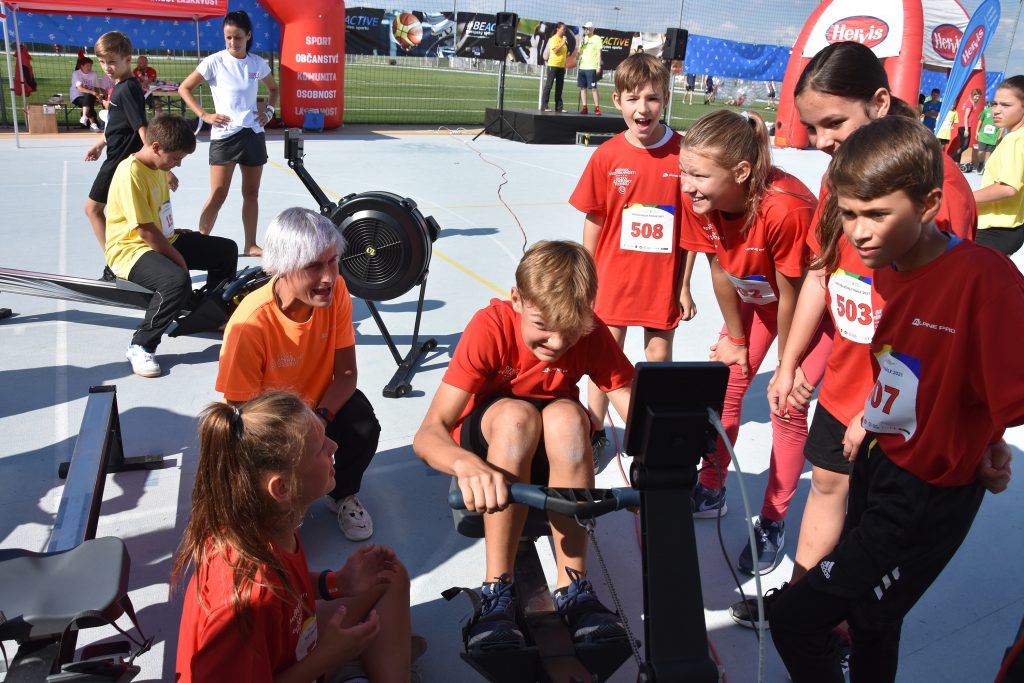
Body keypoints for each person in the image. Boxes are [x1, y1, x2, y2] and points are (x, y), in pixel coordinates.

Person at [730, 38, 978, 629]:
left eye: (833, 123)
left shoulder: (940, 191)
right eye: (812, 128)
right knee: (827, 488)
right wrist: (790, 360)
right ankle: (801, 607)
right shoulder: (840, 173)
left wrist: (881, 406)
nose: (821, 141)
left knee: (872, 529)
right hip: (846, 383)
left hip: (900, 405)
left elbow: (946, 326)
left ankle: (843, 632)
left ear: (880, 103)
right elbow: (823, 271)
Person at [770, 113, 1022, 683]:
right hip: (879, 465)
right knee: (872, 624)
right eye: (849, 214)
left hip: (927, 497)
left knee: (796, 620)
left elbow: (1005, 387)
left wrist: (990, 440)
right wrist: (872, 416)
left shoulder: (983, 278)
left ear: (929, 204)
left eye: (877, 214)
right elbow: (911, 368)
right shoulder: (886, 266)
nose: (859, 232)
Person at [413, 240, 632, 653]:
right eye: (543, 325)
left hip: (553, 442)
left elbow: (632, 402)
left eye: (571, 330)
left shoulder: (590, 332)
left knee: (570, 418)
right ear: (517, 299)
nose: (557, 342)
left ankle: (574, 587)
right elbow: (428, 434)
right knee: (518, 417)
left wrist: (661, 459)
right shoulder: (491, 327)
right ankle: (497, 589)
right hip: (496, 440)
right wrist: (465, 465)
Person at [173, 392, 414, 682]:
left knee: (388, 575)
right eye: (320, 448)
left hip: (290, 649)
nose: (334, 446)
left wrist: (338, 583)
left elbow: (285, 588)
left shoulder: (269, 523)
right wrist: (329, 656)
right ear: (283, 488)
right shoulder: (244, 601)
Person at [678, 108, 826, 577]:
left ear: (741, 172)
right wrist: (737, 341)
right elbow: (720, 268)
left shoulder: (785, 208)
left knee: (787, 406)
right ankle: (711, 487)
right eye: (684, 171)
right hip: (758, 302)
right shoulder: (700, 198)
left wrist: (787, 366)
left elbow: (794, 295)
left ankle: (774, 520)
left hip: (809, 312)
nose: (687, 185)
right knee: (726, 387)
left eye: (698, 175)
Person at [216, 207, 381, 541]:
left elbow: (346, 374)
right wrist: (295, 436)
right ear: (282, 267)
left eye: (333, 261)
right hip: (271, 423)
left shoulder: (336, 292)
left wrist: (318, 420)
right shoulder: (250, 324)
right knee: (272, 521)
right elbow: (242, 411)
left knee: (362, 424)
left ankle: (342, 493)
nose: (328, 277)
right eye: (313, 266)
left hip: (319, 408)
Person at [569, 53, 695, 467]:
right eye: (633, 99)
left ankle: (654, 435)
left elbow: (692, 231)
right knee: (605, 357)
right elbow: (594, 219)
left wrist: (684, 286)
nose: (643, 108)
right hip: (612, 278)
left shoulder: (684, 154)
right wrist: (586, 278)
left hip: (661, 281)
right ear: (617, 100)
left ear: (666, 99)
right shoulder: (607, 156)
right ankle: (597, 430)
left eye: (653, 98)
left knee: (657, 360)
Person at [105, 114, 237, 378]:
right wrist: (179, 259)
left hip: (160, 237)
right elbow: (143, 230)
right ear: (156, 147)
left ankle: (209, 314)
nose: (178, 164)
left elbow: (155, 215)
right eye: (175, 158)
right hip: (130, 248)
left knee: (226, 250)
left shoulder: (158, 169)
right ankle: (141, 344)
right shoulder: (131, 173)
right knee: (176, 280)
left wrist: (172, 232)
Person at [179, 9, 279, 257]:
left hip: (253, 134)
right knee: (218, 194)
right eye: (228, 38)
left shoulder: (257, 63)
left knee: (251, 193)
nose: (233, 42)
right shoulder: (214, 62)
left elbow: (274, 89)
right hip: (225, 136)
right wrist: (204, 115)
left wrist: (268, 111)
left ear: (248, 36)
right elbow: (185, 88)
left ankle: (250, 244)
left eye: (238, 37)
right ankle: (200, 244)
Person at [973, 76, 1024, 256]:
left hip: (995, 229)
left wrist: (967, 197)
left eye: (1006, 105)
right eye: (995, 104)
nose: (996, 110)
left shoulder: (1014, 140)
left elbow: (1008, 188)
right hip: (1011, 227)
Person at [577, 21, 603, 115]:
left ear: (592, 29)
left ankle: (597, 108)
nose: (586, 30)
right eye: (585, 28)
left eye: (588, 28)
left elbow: (599, 53)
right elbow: (579, 53)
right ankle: (585, 107)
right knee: (583, 88)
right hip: (582, 67)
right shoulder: (584, 39)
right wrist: (581, 44)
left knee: (593, 88)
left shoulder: (597, 38)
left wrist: (598, 66)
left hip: (592, 67)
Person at [540, 22, 567, 113]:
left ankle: (559, 107)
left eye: (565, 29)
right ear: (558, 29)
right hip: (553, 65)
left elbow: (564, 53)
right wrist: (562, 43)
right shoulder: (553, 39)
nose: (564, 31)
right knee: (549, 85)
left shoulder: (563, 39)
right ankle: (544, 106)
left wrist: (564, 65)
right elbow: (555, 51)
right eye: (563, 29)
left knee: (559, 87)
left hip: (561, 67)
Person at [70, 56, 102, 131]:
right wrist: (94, 93)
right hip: (77, 97)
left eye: (91, 65)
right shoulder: (76, 73)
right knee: (89, 96)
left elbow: (96, 87)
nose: (89, 67)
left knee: (89, 96)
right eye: (87, 66)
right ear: (81, 66)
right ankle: (92, 124)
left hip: (90, 96)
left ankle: (86, 119)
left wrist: (97, 97)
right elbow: (80, 89)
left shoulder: (94, 74)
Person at [955, 88, 982, 171]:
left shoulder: (970, 103)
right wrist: (966, 129)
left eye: (978, 96)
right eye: (976, 96)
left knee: (962, 146)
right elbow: (966, 117)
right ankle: (953, 158)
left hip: (964, 126)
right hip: (964, 127)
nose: (977, 98)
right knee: (965, 146)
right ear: (973, 95)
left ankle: (956, 162)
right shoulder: (969, 103)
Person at [973, 99, 1000, 174]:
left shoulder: (1000, 113)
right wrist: (977, 131)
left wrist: (999, 136)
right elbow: (980, 121)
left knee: (988, 154)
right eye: (994, 105)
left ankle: (986, 170)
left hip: (993, 137)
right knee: (980, 152)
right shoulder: (986, 111)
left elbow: (1002, 127)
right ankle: (981, 162)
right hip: (983, 135)